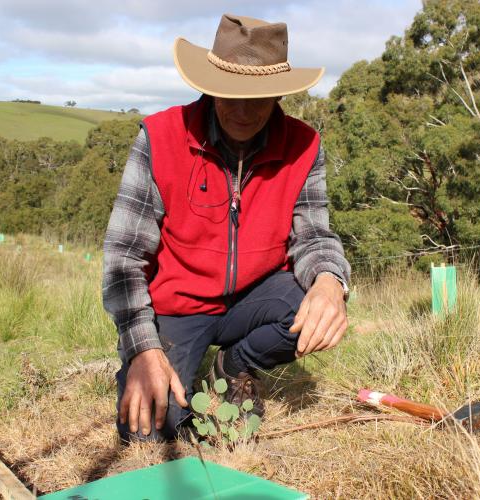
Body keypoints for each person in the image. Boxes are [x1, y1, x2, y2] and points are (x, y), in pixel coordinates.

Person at [103, 13, 351, 442]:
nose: (241, 111)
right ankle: (171, 364)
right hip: (177, 308)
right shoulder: (159, 138)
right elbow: (123, 259)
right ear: (208, 84)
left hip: (257, 298)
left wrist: (331, 281)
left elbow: (313, 235)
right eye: (228, 95)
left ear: (278, 93)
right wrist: (143, 348)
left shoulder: (305, 146)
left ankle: (234, 364)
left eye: (257, 98)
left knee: (317, 299)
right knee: (146, 432)